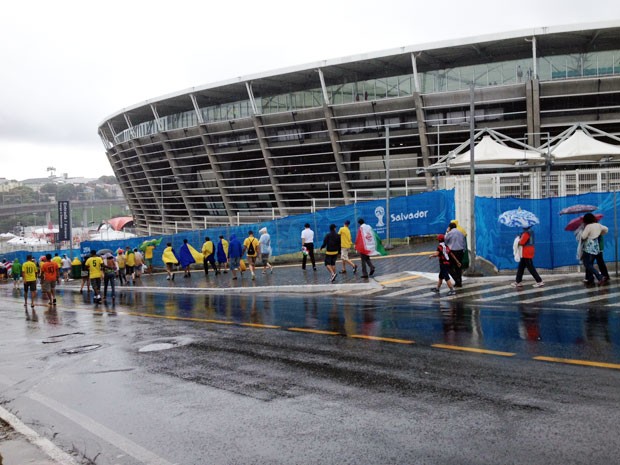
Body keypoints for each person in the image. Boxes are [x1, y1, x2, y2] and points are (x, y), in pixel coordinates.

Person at [580, 213, 609, 285]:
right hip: (596, 246)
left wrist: (582, 232)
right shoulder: (598, 225)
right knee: (593, 263)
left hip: (589, 247)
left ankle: (599, 276)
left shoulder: (588, 226)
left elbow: (583, 237)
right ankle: (590, 278)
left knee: (587, 264)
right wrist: (600, 233)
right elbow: (606, 229)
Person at [445, 222, 466, 287]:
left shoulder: (450, 233)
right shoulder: (460, 233)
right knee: (458, 267)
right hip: (460, 251)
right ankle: (459, 282)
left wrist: (447, 232)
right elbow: (464, 243)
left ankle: (457, 280)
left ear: (450, 227)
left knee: (449, 267)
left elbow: (445, 241)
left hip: (452, 252)